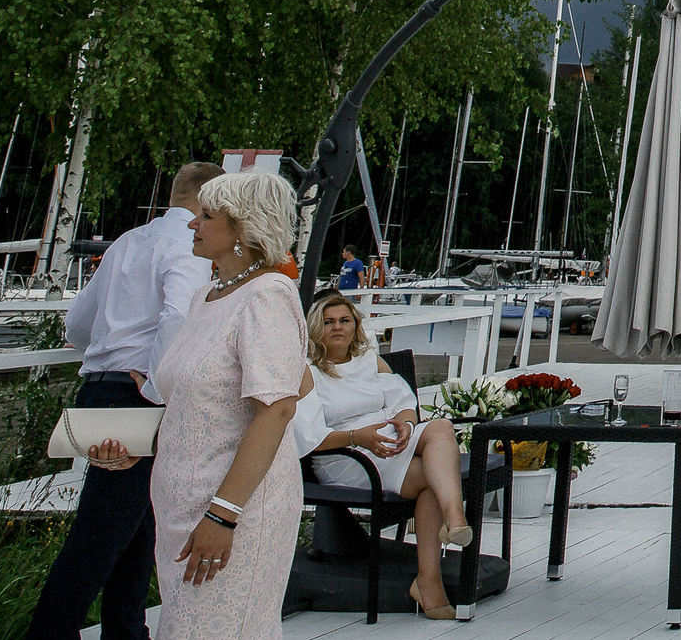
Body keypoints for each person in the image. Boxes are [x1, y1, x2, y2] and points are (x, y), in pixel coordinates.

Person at [89, 169, 308, 640]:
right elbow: (199, 404)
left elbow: (279, 408)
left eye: (206, 216)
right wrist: (137, 447)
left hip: (233, 512)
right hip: (182, 508)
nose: (192, 224)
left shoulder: (267, 296)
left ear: (244, 231)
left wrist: (223, 514)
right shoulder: (205, 297)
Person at [29, 162, 222, 640]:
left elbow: (77, 323)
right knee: (102, 531)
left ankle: (126, 629)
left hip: (100, 383)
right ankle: (50, 632)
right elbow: (178, 315)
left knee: (137, 524)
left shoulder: (128, 242)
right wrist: (159, 387)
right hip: (140, 393)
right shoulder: (189, 246)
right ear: (210, 199)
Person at [295, 291, 473, 618]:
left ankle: (453, 520)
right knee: (432, 480)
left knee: (440, 428)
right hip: (346, 456)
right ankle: (430, 577)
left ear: (355, 325)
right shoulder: (308, 372)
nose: (338, 328)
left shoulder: (369, 359)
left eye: (345, 321)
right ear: (315, 328)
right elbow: (308, 438)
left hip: (388, 441)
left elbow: (403, 400)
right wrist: (358, 436)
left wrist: (406, 423)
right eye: (329, 322)